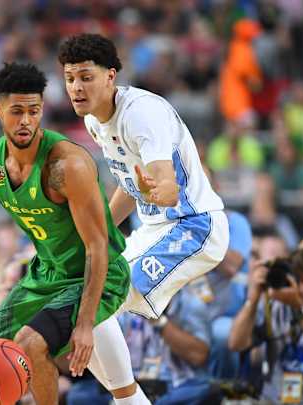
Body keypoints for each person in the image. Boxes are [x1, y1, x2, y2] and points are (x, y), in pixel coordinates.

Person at [0, 62, 150, 405]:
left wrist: (85, 323)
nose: (26, 120)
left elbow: (97, 246)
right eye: (16, 111)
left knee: (31, 343)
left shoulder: (66, 165)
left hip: (96, 274)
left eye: (34, 111)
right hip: (47, 273)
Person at [58, 33, 229, 320]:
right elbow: (130, 185)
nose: (76, 87)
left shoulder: (140, 114)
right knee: (82, 291)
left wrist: (155, 192)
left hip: (193, 225)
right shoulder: (94, 122)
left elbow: (169, 191)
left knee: (98, 298)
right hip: (152, 231)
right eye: (70, 79)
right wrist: (98, 232)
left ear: (110, 77)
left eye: (86, 78)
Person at [228, 250, 303, 404]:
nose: (300, 288)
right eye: (296, 280)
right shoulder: (272, 307)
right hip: (271, 400)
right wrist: (253, 298)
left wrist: (299, 308)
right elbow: (236, 344)